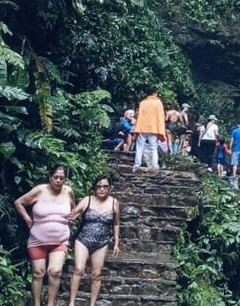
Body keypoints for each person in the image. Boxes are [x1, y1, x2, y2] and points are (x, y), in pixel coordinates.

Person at [14, 164, 76, 306]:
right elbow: (18, 203)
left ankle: (50, 304)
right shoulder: (40, 190)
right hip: (37, 240)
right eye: (56, 177)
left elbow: (73, 208)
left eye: (62, 178)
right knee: (38, 273)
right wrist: (27, 219)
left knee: (55, 271)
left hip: (59, 240)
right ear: (50, 177)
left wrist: (72, 216)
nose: (59, 180)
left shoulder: (68, 192)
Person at [67, 174, 121, 306]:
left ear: (110, 188)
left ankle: (92, 304)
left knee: (97, 274)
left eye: (105, 187)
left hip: (102, 243)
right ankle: (72, 302)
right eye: (99, 187)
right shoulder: (87, 200)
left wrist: (116, 243)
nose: (102, 189)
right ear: (94, 188)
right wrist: (71, 216)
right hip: (83, 240)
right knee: (79, 269)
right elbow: (74, 214)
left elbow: (116, 223)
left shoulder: (114, 202)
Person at [133, 87, 166, 170]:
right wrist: (160, 130)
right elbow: (160, 117)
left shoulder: (143, 103)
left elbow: (140, 116)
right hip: (153, 128)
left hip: (142, 127)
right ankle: (155, 165)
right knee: (154, 148)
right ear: (154, 93)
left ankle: (137, 164)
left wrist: (137, 128)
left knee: (139, 147)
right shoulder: (158, 103)